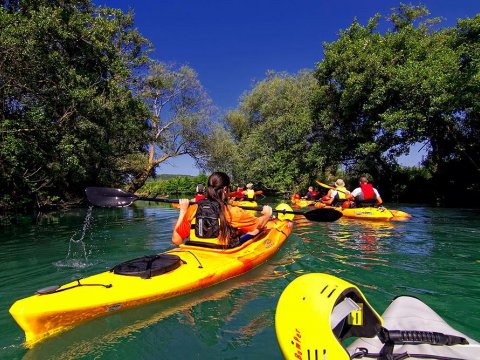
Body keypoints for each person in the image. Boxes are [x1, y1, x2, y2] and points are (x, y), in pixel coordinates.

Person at [172, 172, 273, 248]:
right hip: (221, 253)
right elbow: (258, 224)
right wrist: (267, 215)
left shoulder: (194, 208)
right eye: (229, 188)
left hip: (195, 249)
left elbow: (176, 240)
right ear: (225, 189)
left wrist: (183, 211)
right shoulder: (232, 211)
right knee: (256, 231)